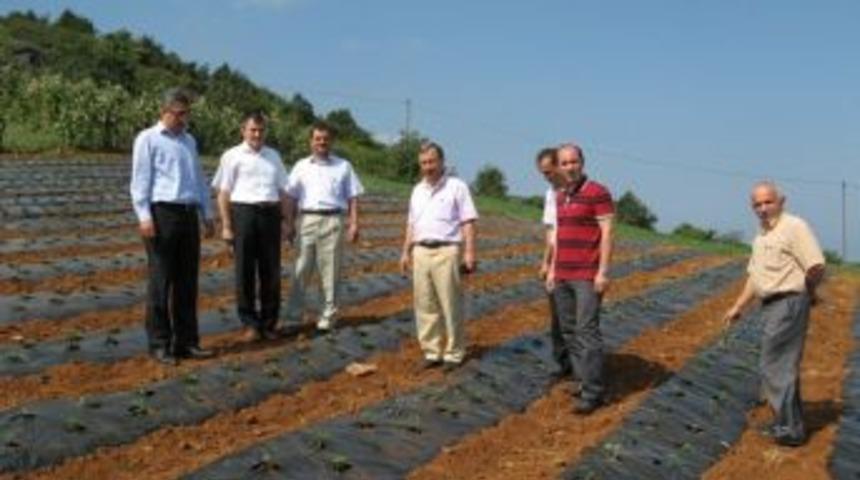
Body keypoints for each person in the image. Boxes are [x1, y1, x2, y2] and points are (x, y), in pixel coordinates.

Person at [723, 181, 825, 447]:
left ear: (782, 201)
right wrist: (738, 306)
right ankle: (790, 423)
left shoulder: (794, 227)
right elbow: (754, 279)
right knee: (780, 365)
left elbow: (815, 265)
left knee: (774, 365)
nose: (763, 208)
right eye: (757, 204)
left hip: (789, 302)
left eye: (768, 202)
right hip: (771, 305)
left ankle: (790, 430)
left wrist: (808, 292)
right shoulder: (761, 237)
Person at [130, 87, 215, 365]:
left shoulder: (189, 141)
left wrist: (207, 213)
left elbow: (198, 180)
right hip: (162, 214)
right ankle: (159, 344)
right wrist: (144, 217)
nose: (183, 119)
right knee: (161, 281)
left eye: (186, 113)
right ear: (164, 112)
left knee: (187, 282)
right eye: (179, 114)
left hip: (188, 213)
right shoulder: (148, 139)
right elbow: (140, 180)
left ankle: (187, 342)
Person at [546, 143, 614, 414]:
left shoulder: (598, 193)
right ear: (559, 167)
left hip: (586, 274)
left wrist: (603, 272)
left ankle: (594, 391)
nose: (569, 167)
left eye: (574, 162)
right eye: (564, 163)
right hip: (562, 272)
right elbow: (558, 236)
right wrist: (552, 269)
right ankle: (582, 380)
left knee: (587, 332)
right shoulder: (561, 195)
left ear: (582, 162)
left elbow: (607, 233)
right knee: (569, 331)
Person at [399, 142, 478, 372]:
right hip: (421, 250)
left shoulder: (457, 187)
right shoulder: (417, 190)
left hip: (447, 250)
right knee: (424, 304)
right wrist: (405, 251)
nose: (428, 167)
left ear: (442, 162)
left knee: (450, 303)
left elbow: (468, 221)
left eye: (432, 162)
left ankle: (454, 353)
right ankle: (432, 351)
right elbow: (411, 224)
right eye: (424, 163)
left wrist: (470, 252)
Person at [214, 111, 292, 342]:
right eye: (253, 130)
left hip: (270, 214)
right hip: (244, 214)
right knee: (244, 272)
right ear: (243, 131)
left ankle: (269, 324)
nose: (257, 134)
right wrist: (227, 226)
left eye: (261, 130)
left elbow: (284, 191)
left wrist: (288, 222)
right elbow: (223, 193)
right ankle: (250, 324)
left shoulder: (274, 156)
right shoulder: (231, 156)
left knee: (271, 271)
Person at [284, 122, 364, 332]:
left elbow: (353, 197)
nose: (322, 142)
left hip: (333, 221)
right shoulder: (301, 166)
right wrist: (289, 223)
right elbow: (290, 197)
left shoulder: (343, 166)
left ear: (331, 142)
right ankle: (293, 317)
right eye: (318, 139)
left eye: (325, 139)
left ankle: (328, 317)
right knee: (301, 269)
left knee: (330, 272)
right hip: (307, 221)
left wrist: (354, 223)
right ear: (311, 141)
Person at [535, 147, 573, 380]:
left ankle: (583, 369)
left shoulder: (577, 191)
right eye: (543, 173)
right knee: (557, 318)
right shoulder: (550, 194)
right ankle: (564, 363)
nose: (547, 176)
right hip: (556, 264)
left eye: (549, 171)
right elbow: (551, 233)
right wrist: (546, 263)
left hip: (576, 262)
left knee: (576, 321)